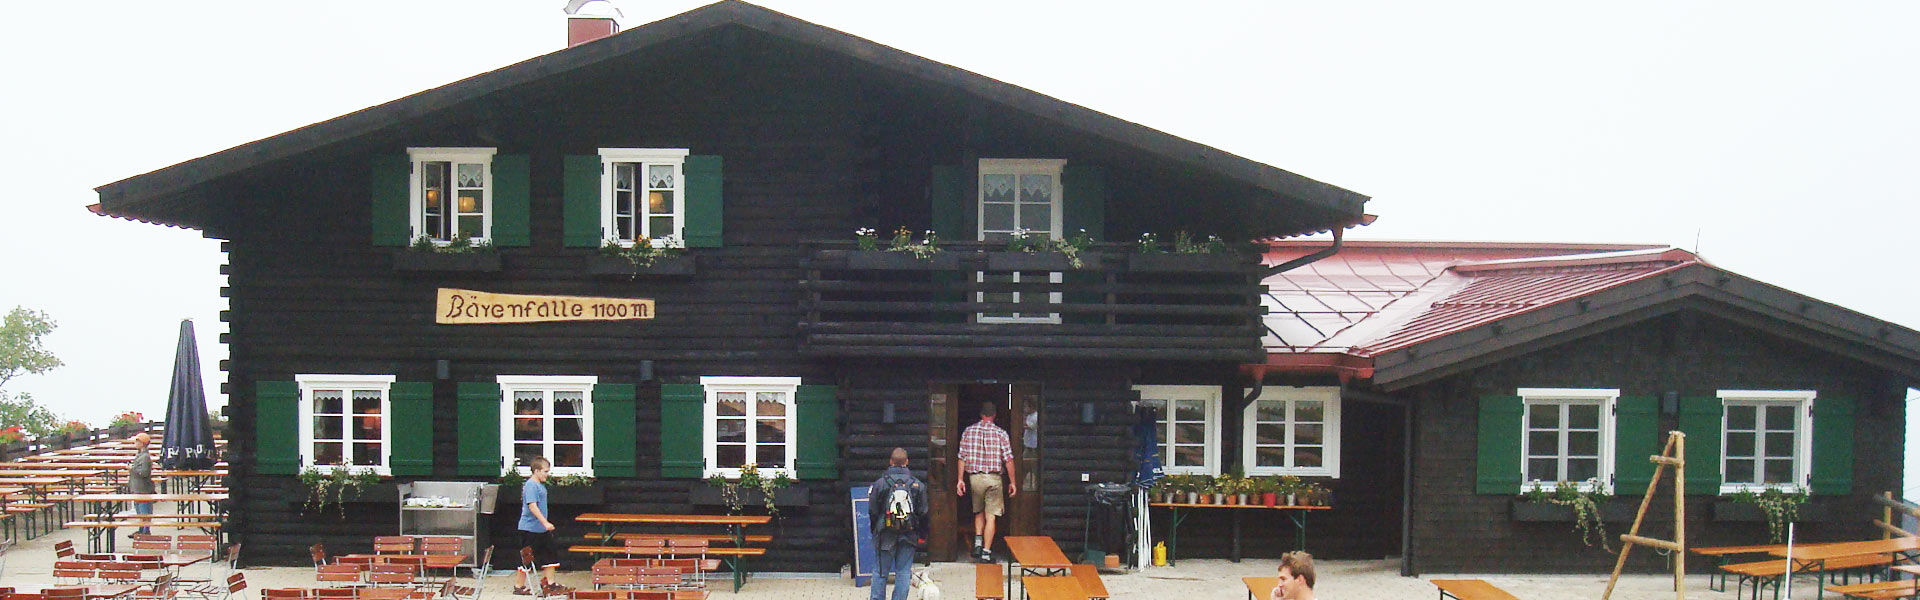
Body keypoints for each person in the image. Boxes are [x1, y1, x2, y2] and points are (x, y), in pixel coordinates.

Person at [956, 402, 1015, 563]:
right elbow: (1008, 459)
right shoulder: (1001, 433)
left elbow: (962, 457)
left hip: (975, 478)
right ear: (994, 415)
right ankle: (986, 552)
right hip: (994, 479)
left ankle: (977, 543)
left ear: (981, 414)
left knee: (978, 511)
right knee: (991, 516)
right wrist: (1013, 482)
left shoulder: (969, 431)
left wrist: (960, 479)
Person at [866, 448, 928, 600]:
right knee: (903, 572)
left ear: (890, 461)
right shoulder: (917, 485)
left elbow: (872, 511)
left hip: (885, 533)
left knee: (880, 572)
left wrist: (875, 529)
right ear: (907, 462)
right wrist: (922, 535)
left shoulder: (880, 484)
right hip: (909, 533)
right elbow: (924, 512)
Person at [512, 457, 570, 596]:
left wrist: (544, 525)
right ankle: (518, 586)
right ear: (536, 471)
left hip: (541, 529)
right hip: (530, 528)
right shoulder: (531, 485)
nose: (547, 474)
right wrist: (545, 522)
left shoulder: (539, 485)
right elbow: (532, 506)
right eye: (545, 471)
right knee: (527, 558)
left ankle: (550, 584)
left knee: (550, 554)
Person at [128, 432, 154, 535]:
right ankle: (141, 529)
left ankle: (145, 530)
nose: (135, 443)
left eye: (137, 441)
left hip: (143, 488)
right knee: (139, 510)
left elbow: (144, 472)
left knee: (144, 511)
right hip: (137, 487)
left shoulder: (145, 457)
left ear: (142, 443)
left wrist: (132, 469)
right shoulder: (140, 455)